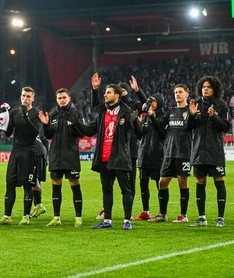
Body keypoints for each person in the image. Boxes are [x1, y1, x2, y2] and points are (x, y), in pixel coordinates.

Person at [77, 81, 138, 230]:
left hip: (120, 158)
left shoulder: (126, 112)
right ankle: (107, 220)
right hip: (104, 158)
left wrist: (136, 119)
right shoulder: (102, 113)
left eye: (108, 92)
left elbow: (139, 132)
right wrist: (75, 121)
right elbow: (89, 130)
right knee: (107, 190)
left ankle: (126, 221)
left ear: (117, 96)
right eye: (105, 92)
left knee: (126, 190)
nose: (105, 94)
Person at [39, 88, 89, 227]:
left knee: (75, 185)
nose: (61, 100)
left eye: (64, 97)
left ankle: (78, 217)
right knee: (56, 186)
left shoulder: (76, 113)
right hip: (55, 155)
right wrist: (44, 124)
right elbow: (48, 135)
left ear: (69, 98)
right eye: (59, 98)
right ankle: (56, 218)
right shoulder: (53, 113)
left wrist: (73, 125)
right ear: (56, 100)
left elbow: (81, 134)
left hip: (70, 155)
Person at [0, 86, 42, 226]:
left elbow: (36, 133)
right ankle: (7, 216)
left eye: (28, 96)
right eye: (23, 95)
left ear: (33, 98)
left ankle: (26, 216)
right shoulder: (14, 112)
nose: (25, 98)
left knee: (27, 186)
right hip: (16, 151)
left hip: (29, 152)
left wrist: (26, 118)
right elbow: (9, 133)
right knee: (10, 183)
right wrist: (2, 125)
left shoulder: (36, 113)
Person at [188, 76, 231, 227]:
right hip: (199, 151)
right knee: (200, 182)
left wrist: (214, 117)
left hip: (215, 151)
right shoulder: (196, 104)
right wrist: (192, 116)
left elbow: (226, 127)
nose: (205, 89)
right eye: (203, 86)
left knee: (219, 181)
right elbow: (189, 128)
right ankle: (202, 217)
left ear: (215, 89)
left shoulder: (221, 105)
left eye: (209, 87)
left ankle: (220, 218)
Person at [148, 84, 194, 224]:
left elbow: (192, 126)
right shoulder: (171, 111)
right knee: (162, 182)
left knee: (182, 182)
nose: (177, 94)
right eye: (175, 92)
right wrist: (151, 116)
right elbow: (160, 126)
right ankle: (162, 214)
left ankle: (183, 215)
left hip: (184, 152)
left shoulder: (190, 111)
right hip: (169, 152)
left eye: (180, 92)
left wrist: (192, 115)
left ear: (187, 94)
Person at [134, 93, 165, 221]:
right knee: (143, 184)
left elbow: (162, 133)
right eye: (150, 101)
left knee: (160, 185)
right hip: (144, 155)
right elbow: (140, 135)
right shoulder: (146, 117)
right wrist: (136, 121)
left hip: (157, 155)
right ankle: (146, 211)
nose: (151, 103)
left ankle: (162, 212)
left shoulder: (164, 116)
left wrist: (152, 116)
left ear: (160, 103)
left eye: (154, 101)